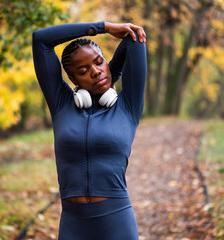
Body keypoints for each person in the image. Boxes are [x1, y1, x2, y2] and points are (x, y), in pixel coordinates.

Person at [32, 21, 147, 240]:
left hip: (117, 222)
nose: (94, 72)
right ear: (73, 79)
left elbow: (135, 39)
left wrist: (111, 73)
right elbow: (41, 40)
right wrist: (101, 27)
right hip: (73, 225)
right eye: (83, 71)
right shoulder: (61, 104)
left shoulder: (128, 106)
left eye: (98, 62)